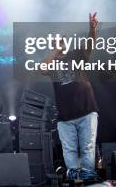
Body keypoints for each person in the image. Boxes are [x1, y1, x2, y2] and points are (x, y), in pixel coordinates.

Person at [42, 13, 100, 181]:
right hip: (65, 115)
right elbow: (42, 69)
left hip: (86, 109)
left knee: (88, 146)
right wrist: (55, 51)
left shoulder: (76, 54)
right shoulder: (51, 62)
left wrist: (92, 29)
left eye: (62, 41)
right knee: (69, 149)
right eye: (56, 42)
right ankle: (75, 178)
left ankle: (88, 178)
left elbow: (90, 45)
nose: (60, 44)